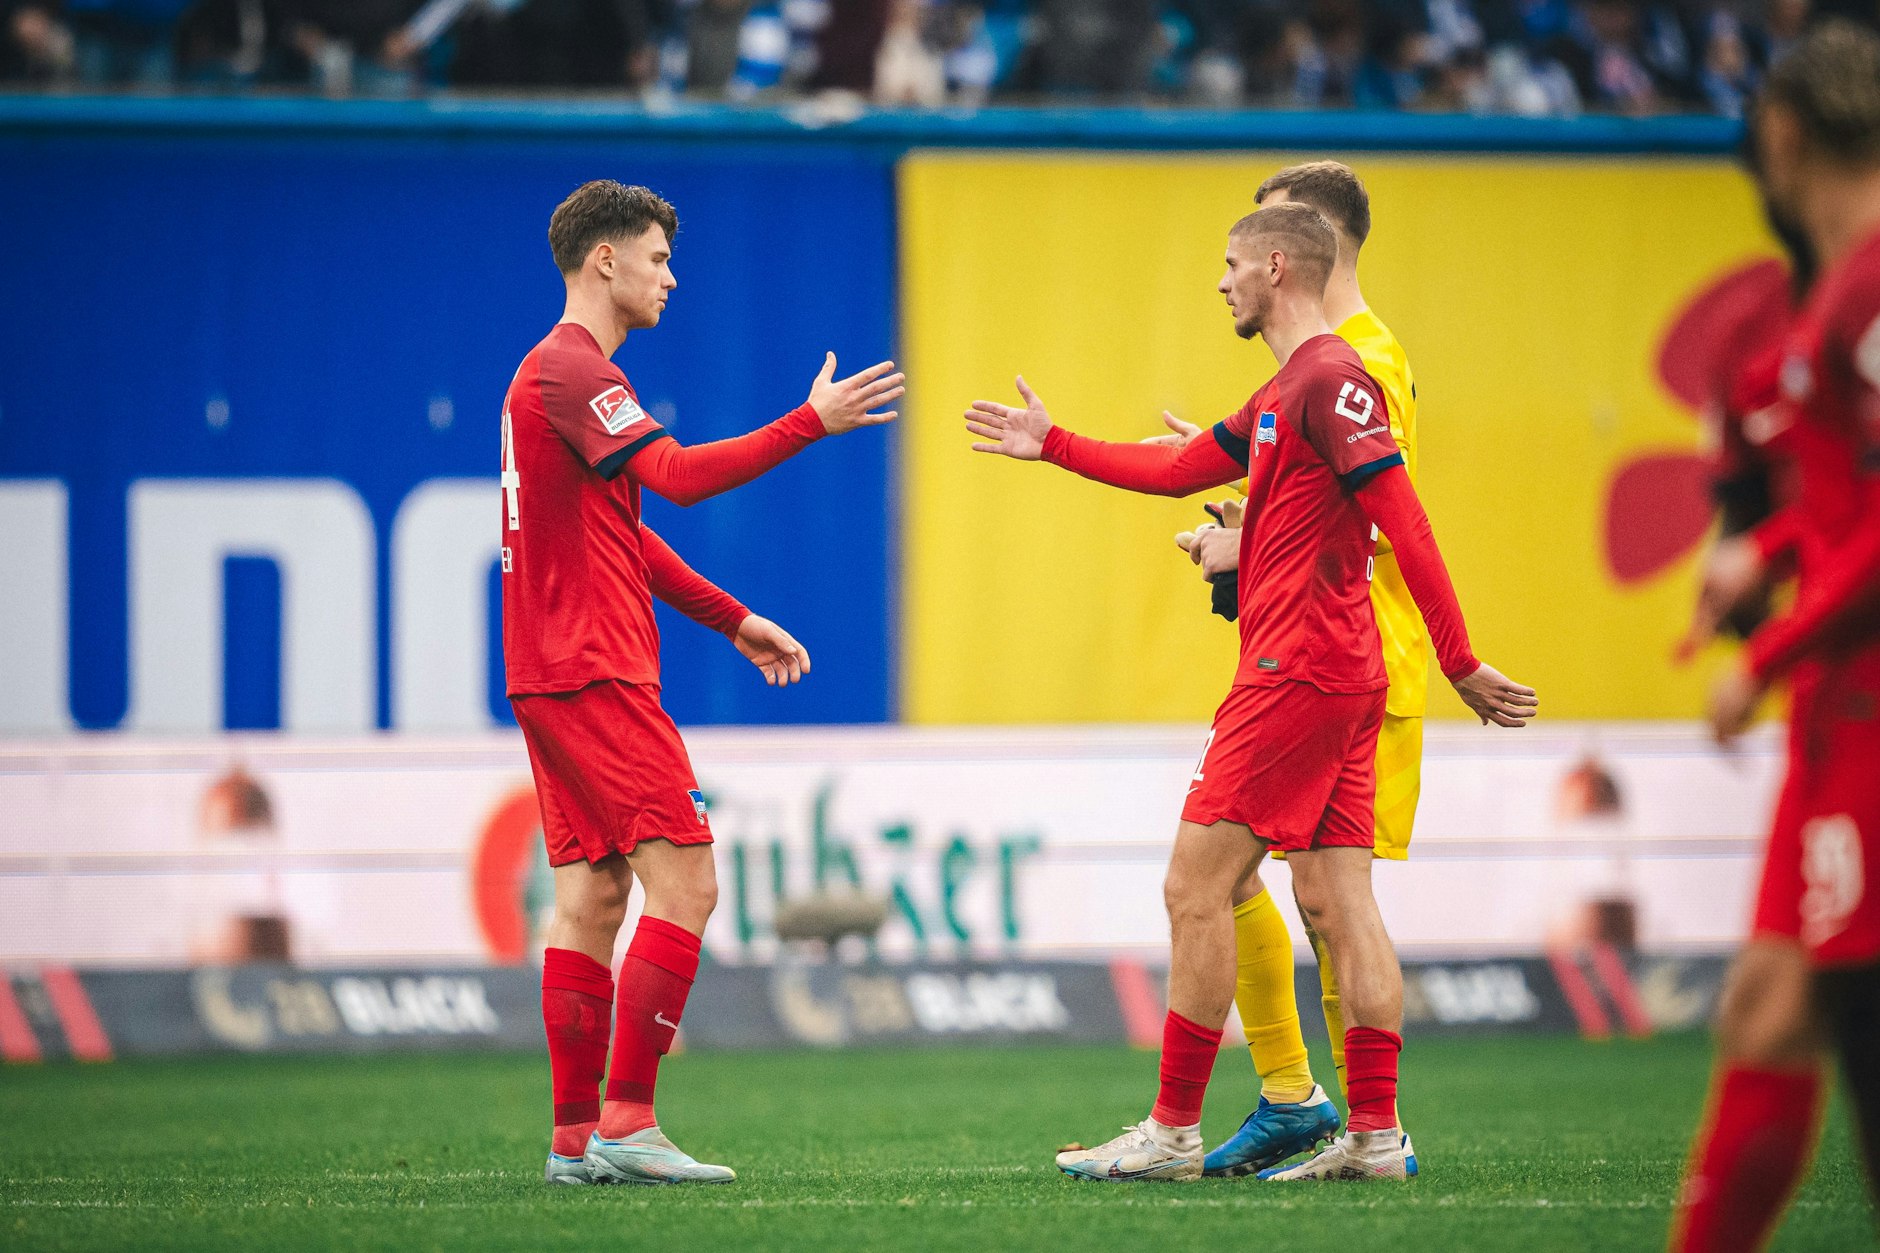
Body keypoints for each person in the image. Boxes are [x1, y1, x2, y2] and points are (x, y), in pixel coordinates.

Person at [965, 201, 1536, 1183]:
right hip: (1337, 671)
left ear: (1276, 266)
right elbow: (1181, 466)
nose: (1219, 281)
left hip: (1297, 675)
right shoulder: (1286, 389)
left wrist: (1456, 658)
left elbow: (1406, 520)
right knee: (1338, 899)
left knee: (1197, 883)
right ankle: (1373, 1136)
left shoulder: (1331, 379)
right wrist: (1052, 441)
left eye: (1230, 264)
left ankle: (1171, 1132)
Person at [503, 180, 903, 1186]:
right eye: (655, 258)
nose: (669, 277)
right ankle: (628, 1122)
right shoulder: (569, 367)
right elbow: (677, 474)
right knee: (687, 879)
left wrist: (732, 617)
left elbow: (626, 529)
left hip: (550, 668)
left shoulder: (554, 379)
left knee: (593, 895)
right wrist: (807, 421)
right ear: (604, 260)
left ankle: (571, 1140)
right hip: (592, 666)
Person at [1147, 159, 1432, 1177]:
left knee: (1276, 889)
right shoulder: (1309, 366)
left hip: (1343, 653)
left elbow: (1381, 513)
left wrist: (1250, 533)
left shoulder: (1358, 361)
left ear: (1302, 242)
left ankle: (1313, 1106)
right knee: (1303, 892)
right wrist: (1254, 504)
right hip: (1335, 651)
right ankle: (1339, 1118)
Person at [1670, 21, 1880, 1248]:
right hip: (1834, 714)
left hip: (1857, 711)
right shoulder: (1835, 296)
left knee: (1839, 1019)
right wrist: (1777, 550)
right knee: (1763, 1006)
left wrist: (1769, 649)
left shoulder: (1862, 291)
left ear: (1779, 137)